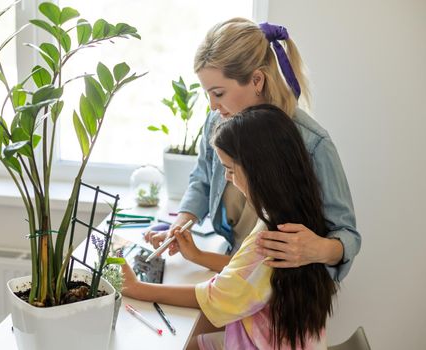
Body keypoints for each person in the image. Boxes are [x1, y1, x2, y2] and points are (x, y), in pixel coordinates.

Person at [145, 18, 360, 282]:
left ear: (257, 80)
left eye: (219, 93)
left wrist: (318, 248)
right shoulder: (218, 123)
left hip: (286, 292)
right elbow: (202, 180)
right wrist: (180, 225)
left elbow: (346, 234)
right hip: (236, 271)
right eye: (207, 94)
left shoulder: (312, 143)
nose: (212, 106)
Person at [123, 105, 337, 349]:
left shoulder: (270, 236)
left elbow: (214, 295)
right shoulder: (298, 214)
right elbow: (249, 271)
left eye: (230, 169)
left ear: (259, 171)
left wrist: (139, 289)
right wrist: (198, 256)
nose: (226, 178)